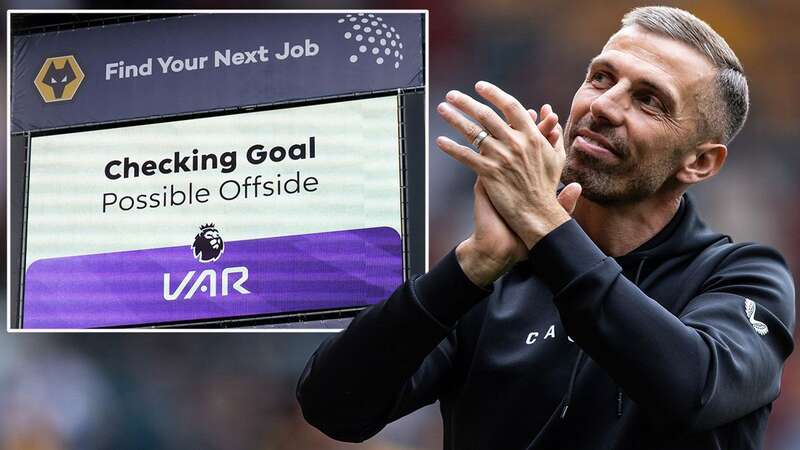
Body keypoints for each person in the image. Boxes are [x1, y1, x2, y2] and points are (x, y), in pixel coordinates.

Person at [296, 6, 795, 450]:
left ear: (701, 162)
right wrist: (470, 266)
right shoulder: (497, 279)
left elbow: (692, 390)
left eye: (648, 100)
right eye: (601, 78)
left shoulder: (745, 277)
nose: (603, 106)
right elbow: (333, 407)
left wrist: (546, 223)